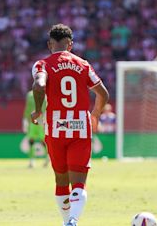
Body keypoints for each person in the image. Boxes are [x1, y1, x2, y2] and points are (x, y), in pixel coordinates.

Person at [31, 24, 109, 226]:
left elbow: (38, 85)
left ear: (50, 44)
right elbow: (103, 93)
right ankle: (73, 220)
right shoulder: (83, 65)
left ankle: (67, 221)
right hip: (80, 129)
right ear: (70, 45)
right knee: (79, 182)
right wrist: (96, 114)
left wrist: (39, 109)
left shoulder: (43, 64)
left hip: (56, 128)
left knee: (61, 180)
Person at [22, 90, 49, 168]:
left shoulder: (45, 95)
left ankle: (47, 157)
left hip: (41, 121)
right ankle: (31, 160)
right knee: (31, 140)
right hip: (32, 122)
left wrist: (46, 121)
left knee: (43, 141)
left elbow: (46, 109)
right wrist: (25, 120)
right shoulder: (30, 95)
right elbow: (28, 108)